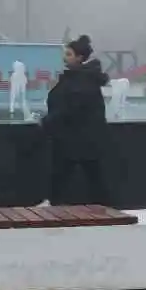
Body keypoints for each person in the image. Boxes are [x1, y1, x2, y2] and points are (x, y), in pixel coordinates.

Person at [42, 34, 110, 205]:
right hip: (79, 137)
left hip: (78, 137)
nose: (65, 57)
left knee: (69, 173)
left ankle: (54, 203)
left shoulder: (82, 80)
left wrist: (47, 121)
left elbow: (70, 108)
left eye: (69, 54)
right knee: (89, 175)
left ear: (80, 58)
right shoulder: (77, 77)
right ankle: (103, 207)